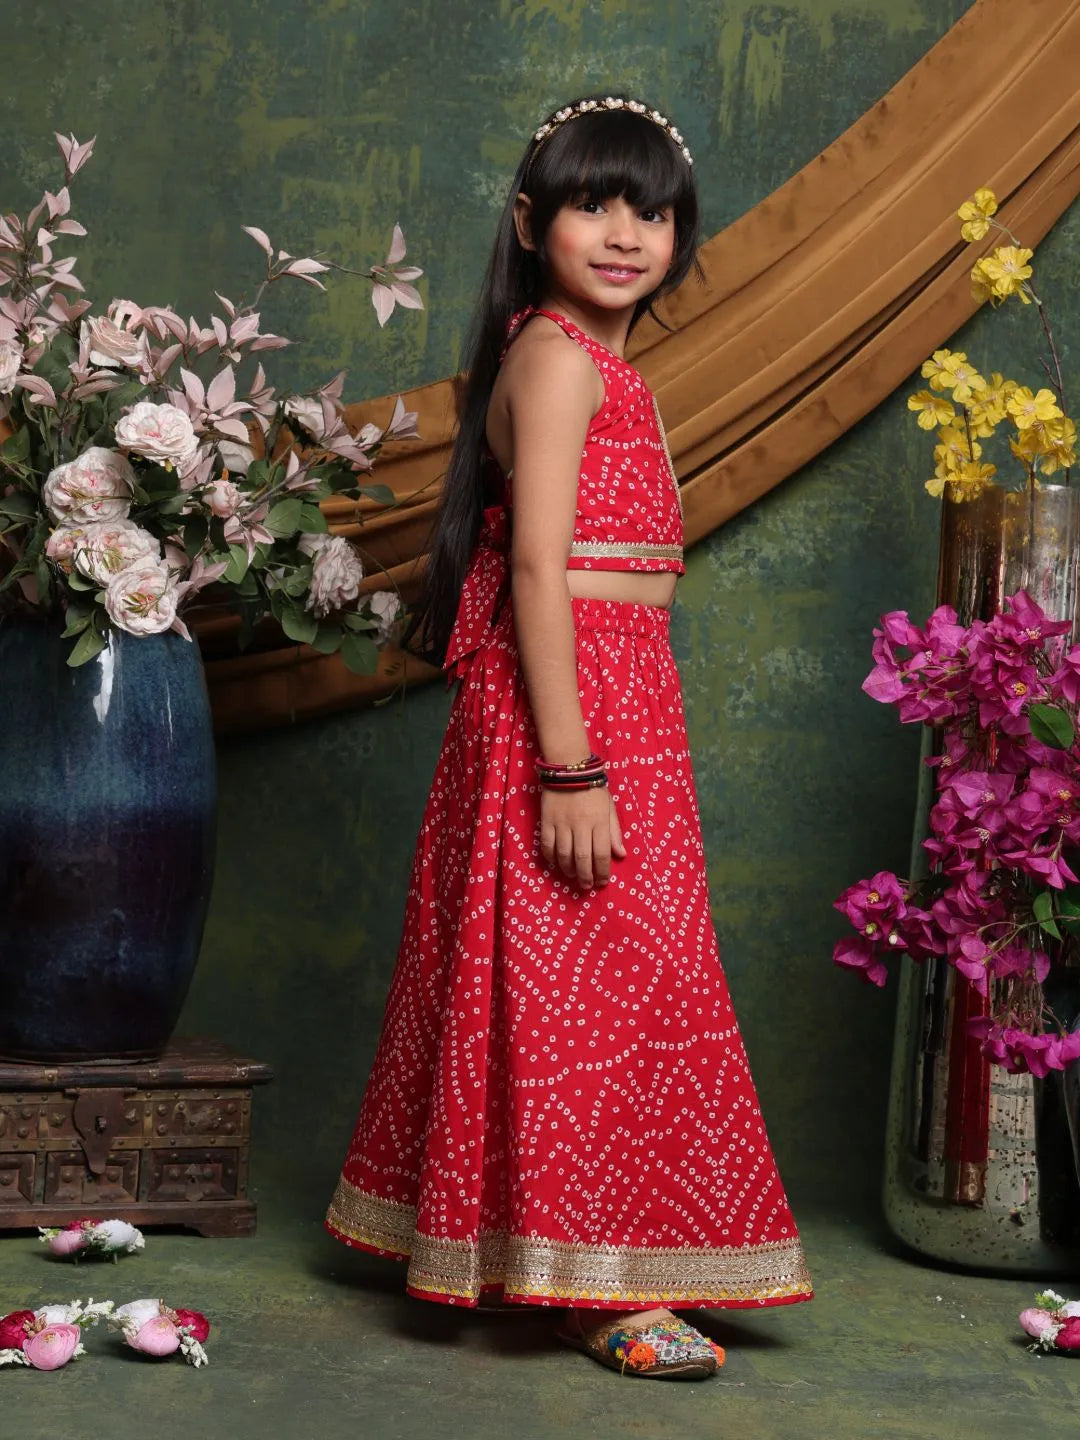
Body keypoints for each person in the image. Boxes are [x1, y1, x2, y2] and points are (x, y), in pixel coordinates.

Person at [326, 94, 812, 1380]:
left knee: (619, 989)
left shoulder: (606, 367)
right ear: (532, 221)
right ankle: (589, 1285)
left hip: (624, 693)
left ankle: (568, 1252)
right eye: (596, 204)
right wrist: (571, 766)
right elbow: (539, 570)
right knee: (582, 995)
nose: (626, 233)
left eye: (653, 213)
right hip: (570, 711)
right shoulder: (550, 356)